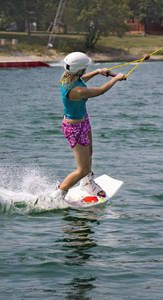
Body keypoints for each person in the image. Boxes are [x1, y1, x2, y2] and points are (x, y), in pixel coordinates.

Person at [50, 52, 125, 201]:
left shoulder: (67, 78)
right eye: (85, 67)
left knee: (89, 153)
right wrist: (116, 78)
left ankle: (87, 183)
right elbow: (101, 90)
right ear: (79, 69)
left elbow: (81, 79)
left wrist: (98, 72)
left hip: (83, 121)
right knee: (82, 168)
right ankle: (57, 195)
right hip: (75, 128)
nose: (86, 69)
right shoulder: (77, 91)